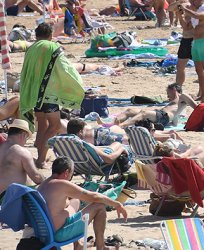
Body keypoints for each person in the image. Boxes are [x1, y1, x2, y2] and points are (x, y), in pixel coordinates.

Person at [19, 22, 84, 169]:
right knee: (54, 126)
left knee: (42, 126)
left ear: (36, 35)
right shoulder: (52, 47)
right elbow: (64, 67)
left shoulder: (31, 49)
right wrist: (76, 82)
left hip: (34, 93)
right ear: (50, 35)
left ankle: (39, 156)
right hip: (48, 94)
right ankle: (41, 159)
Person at [37, 157, 128, 250]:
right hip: (59, 234)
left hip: (43, 232)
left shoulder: (43, 185)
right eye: (71, 175)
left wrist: (68, 202)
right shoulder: (62, 184)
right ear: (66, 172)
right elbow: (94, 197)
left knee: (75, 201)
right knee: (99, 206)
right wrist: (116, 204)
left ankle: (78, 244)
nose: (70, 178)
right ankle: (101, 247)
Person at [114, 82, 196, 128]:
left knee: (144, 113)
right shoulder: (175, 102)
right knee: (129, 110)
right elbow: (175, 115)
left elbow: (196, 107)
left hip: (163, 116)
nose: (167, 96)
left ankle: (121, 126)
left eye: (168, 93)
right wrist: (174, 123)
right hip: (159, 114)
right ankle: (112, 124)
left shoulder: (182, 96)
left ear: (174, 90)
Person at [0, 119, 43, 199]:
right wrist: (46, 180)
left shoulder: (1, 147)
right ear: (23, 134)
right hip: (12, 198)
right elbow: (36, 177)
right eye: (26, 138)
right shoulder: (21, 152)